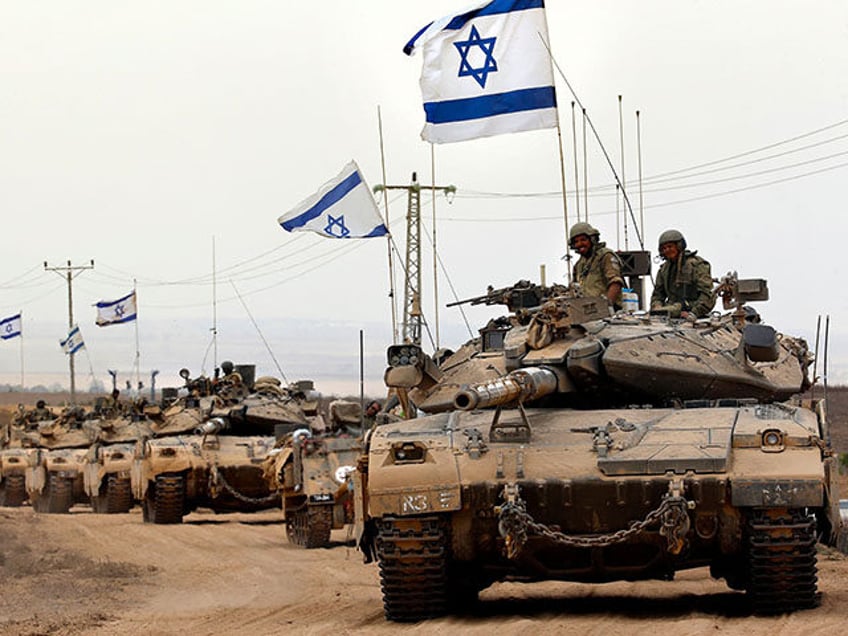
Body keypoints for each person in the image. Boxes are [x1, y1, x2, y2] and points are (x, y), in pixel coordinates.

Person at [650, 229, 715, 319]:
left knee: (676, 308)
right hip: (669, 312)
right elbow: (658, 294)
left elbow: (707, 295)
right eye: (664, 248)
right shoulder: (664, 270)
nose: (667, 250)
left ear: (679, 246)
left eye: (670, 247)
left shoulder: (696, 265)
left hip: (691, 309)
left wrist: (694, 312)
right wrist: (657, 307)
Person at [569, 222, 624, 307]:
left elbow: (615, 283)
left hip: (608, 312)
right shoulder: (579, 265)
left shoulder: (605, 256)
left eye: (583, 239)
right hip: (587, 311)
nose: (579, 244)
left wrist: (607, 307)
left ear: (592, 239)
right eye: (576, 241)